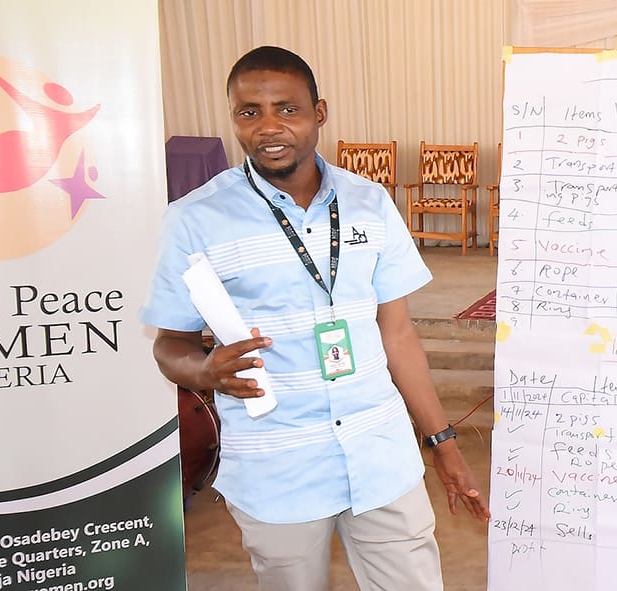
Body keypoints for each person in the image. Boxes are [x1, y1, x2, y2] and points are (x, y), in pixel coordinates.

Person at [141, 45, 489, 591]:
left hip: (381, 457)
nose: (269, 127)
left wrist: (444, 445)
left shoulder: (369, 203)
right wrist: (202, 372)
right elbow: (170, 343)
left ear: (319, 113)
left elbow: (398, 335)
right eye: (248, 112)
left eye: (287, 108)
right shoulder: (195, 219)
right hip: (277, 468)